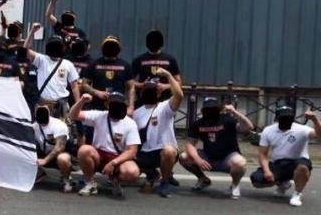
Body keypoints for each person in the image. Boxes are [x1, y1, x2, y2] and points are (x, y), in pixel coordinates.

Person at [179, 97, 254, 199]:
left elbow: (248, 127)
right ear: (203, 110)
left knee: (240, 163)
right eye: (208, 109)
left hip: (227, 158)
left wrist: (235, 112)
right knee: (184, 157)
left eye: (213, 108)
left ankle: (234, 185)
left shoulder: (227, 120)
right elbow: (190, 144)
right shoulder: (198, 124)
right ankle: (203, 179)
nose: (210, 111)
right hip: (208, 158)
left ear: (218, 109)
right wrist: (198, 159)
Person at [70, 92, 141, 197]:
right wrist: (81, 101)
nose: (115, 107)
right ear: (107, 105)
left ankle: (115, 180)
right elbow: (73, 115)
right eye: (112, 104)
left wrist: (113, 163)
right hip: (99, 155)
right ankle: (90, 183)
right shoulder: (99, 115)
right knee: (84, 150)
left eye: (118, 104)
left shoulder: (130, 123)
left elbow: (132, 151)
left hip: (117, 158)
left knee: (132, 172)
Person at [250, 107, 320, 207]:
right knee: (256, 180)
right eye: (283, 118)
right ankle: (283, 183)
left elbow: (319, 134)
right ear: (277, 119)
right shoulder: (268, 130)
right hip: (278, 163)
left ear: (292, 119)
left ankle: (297, 194)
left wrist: (314, 119)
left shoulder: (302, 129)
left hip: (297, 162)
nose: (286, 120)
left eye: (289, 118)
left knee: (302, 168)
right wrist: (266, 171)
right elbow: (262, 154)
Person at [131, 68, 183, 198]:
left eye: (153, 90)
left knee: (169, 151)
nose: (149, 92)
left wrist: (168, 75)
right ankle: (152, 174)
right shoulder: (136, 113)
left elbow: (179, 95)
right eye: (146, 90)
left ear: (159, 93)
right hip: (146, 151)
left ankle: (165, 182)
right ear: (141, 93)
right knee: (126, 161)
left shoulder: (165, 107)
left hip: (164, 151)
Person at [25, 24, 80, 117]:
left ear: (63, 48)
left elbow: (74, 86)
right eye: (53, 46)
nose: (55, 48)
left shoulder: (68, 64)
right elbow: (25, 50)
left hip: (62, 105)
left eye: (58, 46)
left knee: (62, 130)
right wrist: (32, 31)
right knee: (42, 129)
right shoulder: (41, 60)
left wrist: (78, 105)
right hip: (43, 104)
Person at [81, 36, 134, 110]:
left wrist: (131, 106)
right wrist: (97, 93)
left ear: (119, 48)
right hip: (97, 107)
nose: (110, 49)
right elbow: (84, 84)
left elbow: (131, 87)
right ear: (103, 48)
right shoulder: (94, 64)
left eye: (113, 46)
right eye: (108, 46)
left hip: (118, 107)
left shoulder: (125, 65)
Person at [131, 30, 182, 104]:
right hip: (143, 103)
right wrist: (142, 85)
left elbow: (179, 82)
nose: (154, 44)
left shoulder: (170, 60)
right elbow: (129, 82)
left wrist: (164, 86)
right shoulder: (138, 60)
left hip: (165, 103)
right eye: (151, 42)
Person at [33, 106, 76, 193]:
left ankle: (66, 179)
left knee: (62, 158)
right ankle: (39, 172)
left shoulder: (59, 125)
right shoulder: (34, 126)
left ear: (49, 112)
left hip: (61, 154)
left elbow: (60, 147)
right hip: (44, 152)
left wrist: (45, 160)